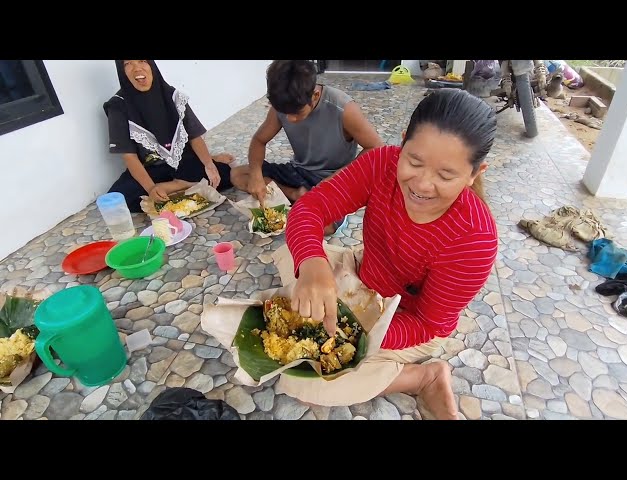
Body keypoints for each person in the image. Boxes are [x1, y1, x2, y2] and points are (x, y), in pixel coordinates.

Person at [281, 88, 499, 419]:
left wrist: (354, 333)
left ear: (473, 175)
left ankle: (425, 377)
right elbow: (311, 208)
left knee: (317, 384)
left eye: (446, 175)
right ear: (402, 145)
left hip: (406, 321)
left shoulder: (475, 237)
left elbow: (427, 323)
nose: (423, 185)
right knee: (291, 256)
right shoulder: (382, 162)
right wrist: (312, 264)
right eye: (414, 161)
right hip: (363, 274)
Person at [231, 60, 384, 234]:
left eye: (297, 113)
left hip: (334, 178)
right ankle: (295, 195)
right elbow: (259, 140)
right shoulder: (284, 104)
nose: (290, 119)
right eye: (285, 112)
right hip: (299, 171)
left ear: (315, 96)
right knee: (238, 174)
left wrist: (336, 179)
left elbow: (376, 149)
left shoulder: (343, 108)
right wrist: (257, 175)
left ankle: (298, 205)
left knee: (326, 226)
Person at [104, 60, 237, 212]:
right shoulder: (118, 106)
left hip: (182, 162)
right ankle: (189, 184)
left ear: (151, 65)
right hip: (150, 169)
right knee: (118, 199)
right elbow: (129, 156)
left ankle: (180, 185)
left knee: (224, 174)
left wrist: (208, 163)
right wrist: (151, 188)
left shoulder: (172, 95)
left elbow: (194, 135)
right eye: (128, 63)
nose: (137, 68)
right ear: (121, 71)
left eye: (142, 61)